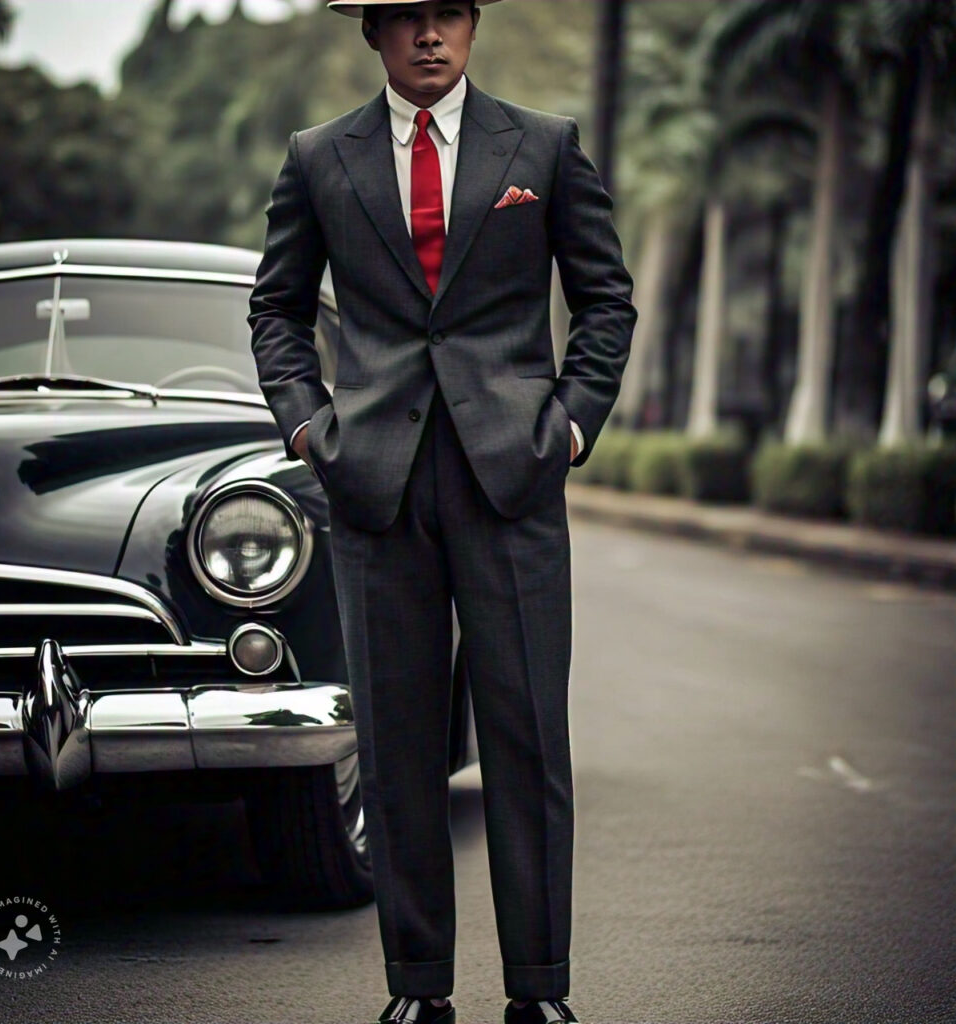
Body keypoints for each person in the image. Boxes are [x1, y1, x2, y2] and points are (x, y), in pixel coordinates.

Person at [249, 2, 637, 1022]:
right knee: (398, 742)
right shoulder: (318, 158)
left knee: (525, 737)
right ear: (371, 34)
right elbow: (276, 309)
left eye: (450, 15)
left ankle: (539, 989)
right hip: (374, 484)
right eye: (407, 19)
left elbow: (605, 299)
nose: (431, 36)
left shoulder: (543, 148)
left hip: (511, 477)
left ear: (471, 27)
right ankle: (418, 987)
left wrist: (572, 427)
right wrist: (307, 430)